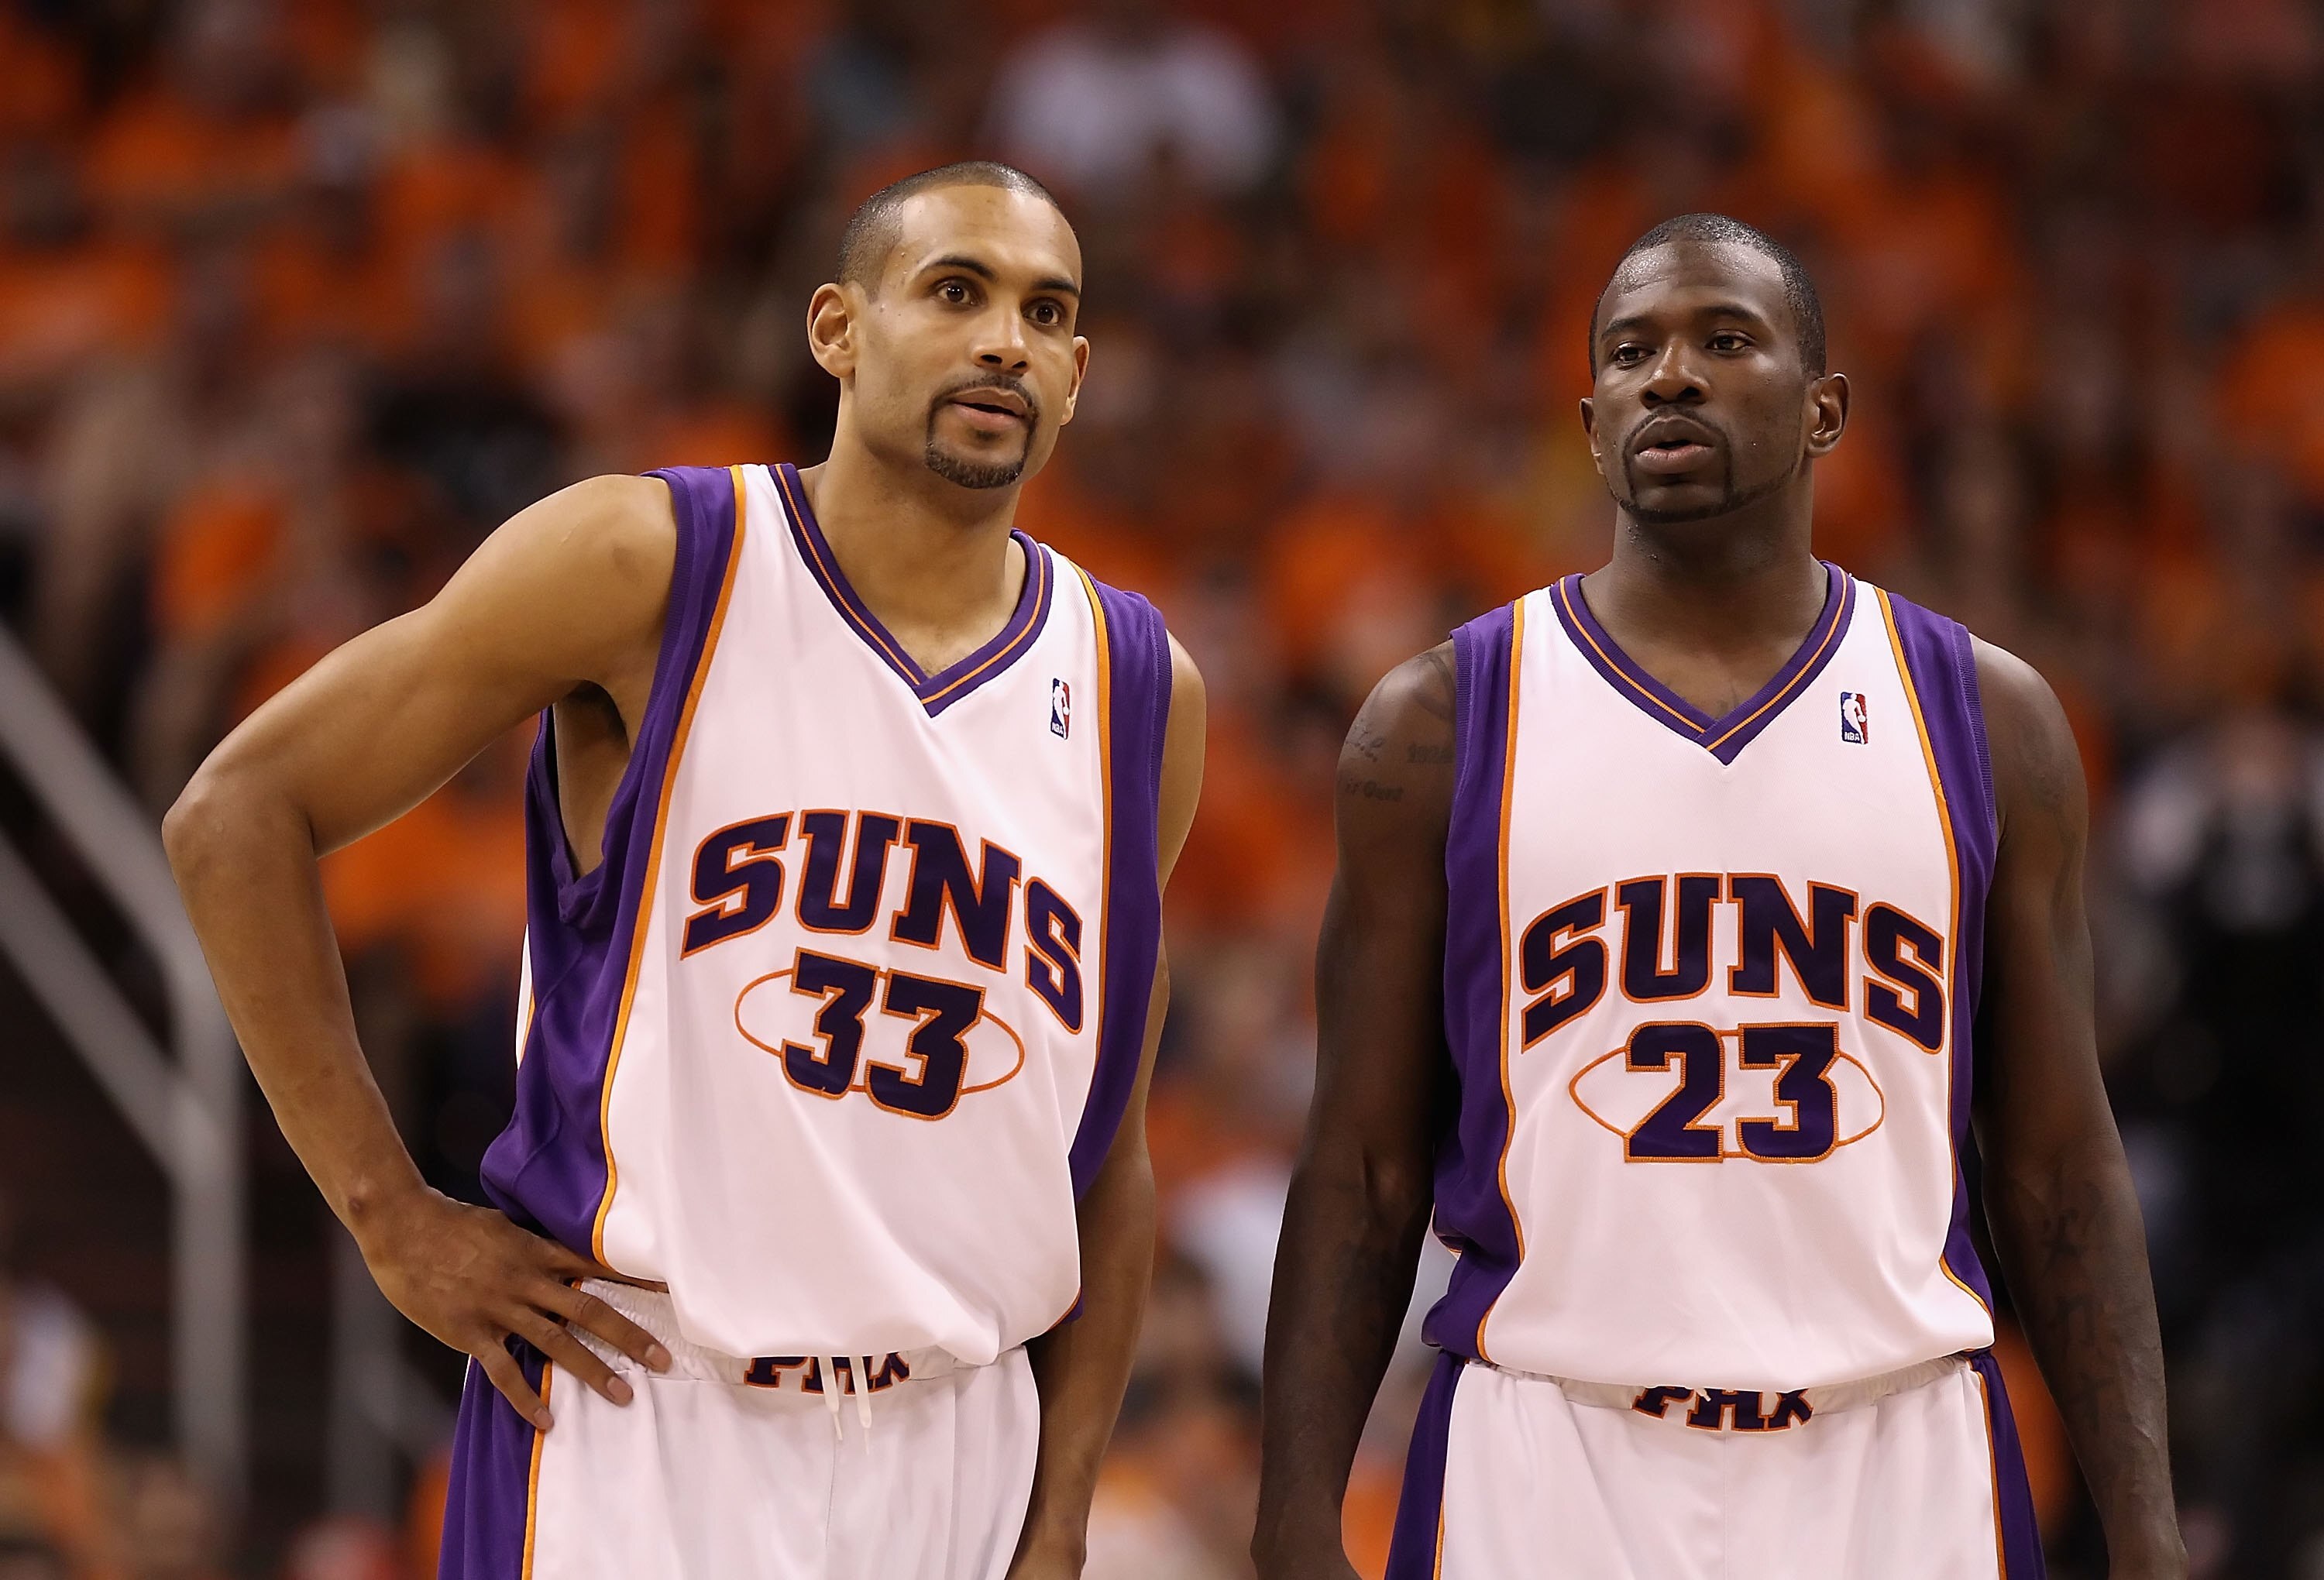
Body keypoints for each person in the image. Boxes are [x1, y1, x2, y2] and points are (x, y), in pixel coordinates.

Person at [165, 161, 1205, 1580]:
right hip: (642, 1410)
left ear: (1078, 376)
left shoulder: (1142, 688)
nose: (1001, 341)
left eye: (1045, 312)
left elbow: (1113, 1156)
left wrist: (1064, 1513)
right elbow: (236, 812)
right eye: (955, 292)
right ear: (837, 329)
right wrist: (386, 1212)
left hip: (966, 1446)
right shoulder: (651, 561)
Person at [1250, 215, 2182, 1579]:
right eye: (1632, 354)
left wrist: (2149, 1533)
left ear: (1826, 410)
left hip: (1899, 1455)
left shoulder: (1987, 719)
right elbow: (1366, 1164)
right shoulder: (1442, 722)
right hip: (1550, 1458)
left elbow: (2057, 1164)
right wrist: (1292, 1522)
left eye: (1724, 342)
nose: (1669, 378)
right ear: (1588, 420)